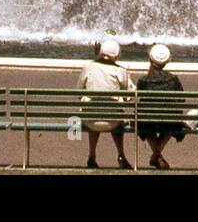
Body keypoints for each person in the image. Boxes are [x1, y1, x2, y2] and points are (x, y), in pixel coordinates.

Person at [76, 38, 134, 169]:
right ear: (117, 54)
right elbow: (128, 95)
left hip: (90, 120)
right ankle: (121, 155)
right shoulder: (121, 71)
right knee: (116, 114)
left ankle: (91, 156)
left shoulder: (88, 67)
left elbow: (78, 92)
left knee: (93, 112)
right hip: (112, 121)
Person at [135, 43, 185, 169]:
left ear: (150, 59)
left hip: (147, 121)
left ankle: (156, 155)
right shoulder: (173, 79)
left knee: (146, 120)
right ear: (167, 61)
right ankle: (157, 156)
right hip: (170, 121)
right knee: (171, 120)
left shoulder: (143, 80)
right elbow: (182, 99)